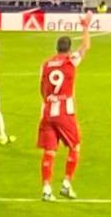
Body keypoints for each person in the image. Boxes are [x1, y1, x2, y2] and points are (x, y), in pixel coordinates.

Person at [38, 12, 92, 201]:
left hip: (48, 110)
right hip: (64, 110)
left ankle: (46, 189)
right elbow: (86, 46)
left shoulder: (46, 64)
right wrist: (85, 26)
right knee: (75, 146)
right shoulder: (71, 60)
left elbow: (42, 89)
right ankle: (66, 184)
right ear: (69, 49)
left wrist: (49, 101)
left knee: (50, 151)